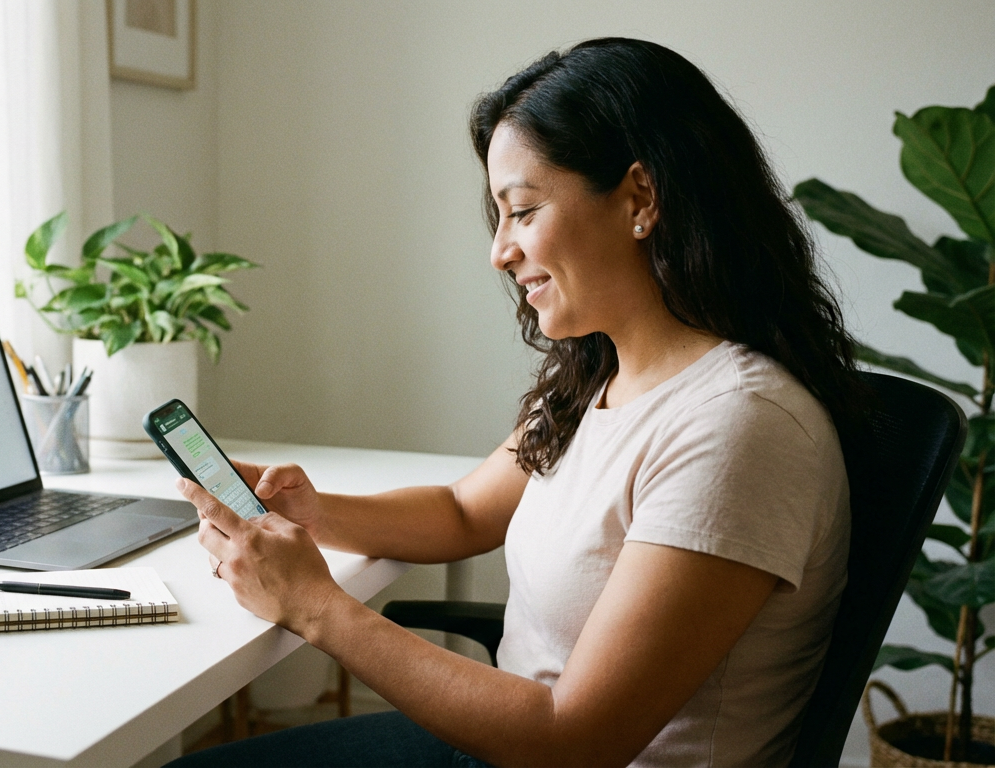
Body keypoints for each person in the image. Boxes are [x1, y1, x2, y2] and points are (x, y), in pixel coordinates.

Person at [168, 37, 862, 768]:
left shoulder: (738, 426)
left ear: (641, 198)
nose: (499, 251)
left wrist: (315, 606)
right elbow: (465, 511)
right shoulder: (599, 375)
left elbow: (577, 737)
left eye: (522, 211)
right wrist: (310, 513)